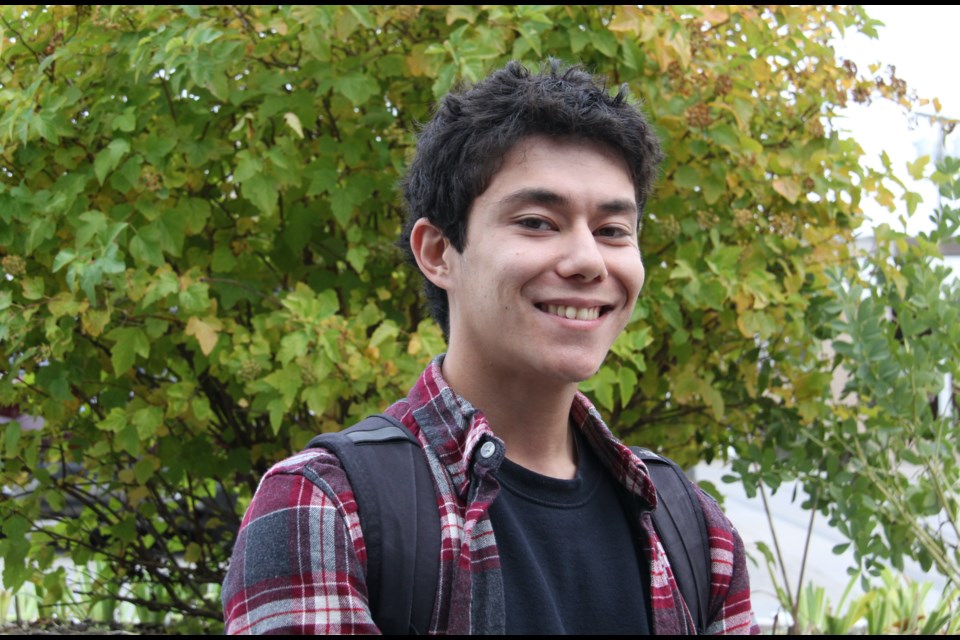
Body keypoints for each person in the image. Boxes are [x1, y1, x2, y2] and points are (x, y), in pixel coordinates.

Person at [221, 60, 758, 635]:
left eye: (612, 230)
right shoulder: (326, 508)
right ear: (437, 252)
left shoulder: (694, 530)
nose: (587, 261)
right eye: (536, 221)